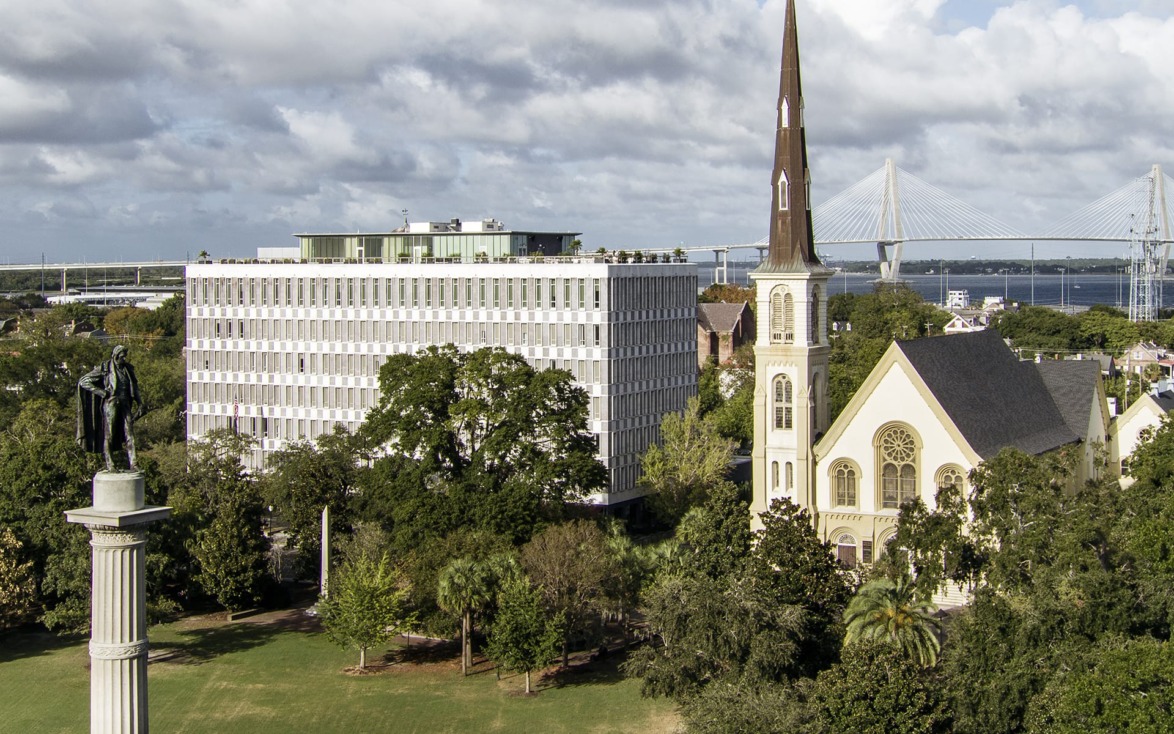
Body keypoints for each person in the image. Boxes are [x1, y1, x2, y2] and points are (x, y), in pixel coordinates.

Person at [78, 345, 145, 472]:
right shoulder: (105, 368)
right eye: (122, 356)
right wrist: (101, 392)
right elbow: (83, 381)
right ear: (115, 356)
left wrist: (140, 403)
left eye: (125, 356)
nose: (124, 359)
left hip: (125, 402)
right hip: (111, 402)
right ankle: (110, 464)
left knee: (130, 433)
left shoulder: (128, 369)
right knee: (110, 433)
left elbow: (134, 387)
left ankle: (134, 463)